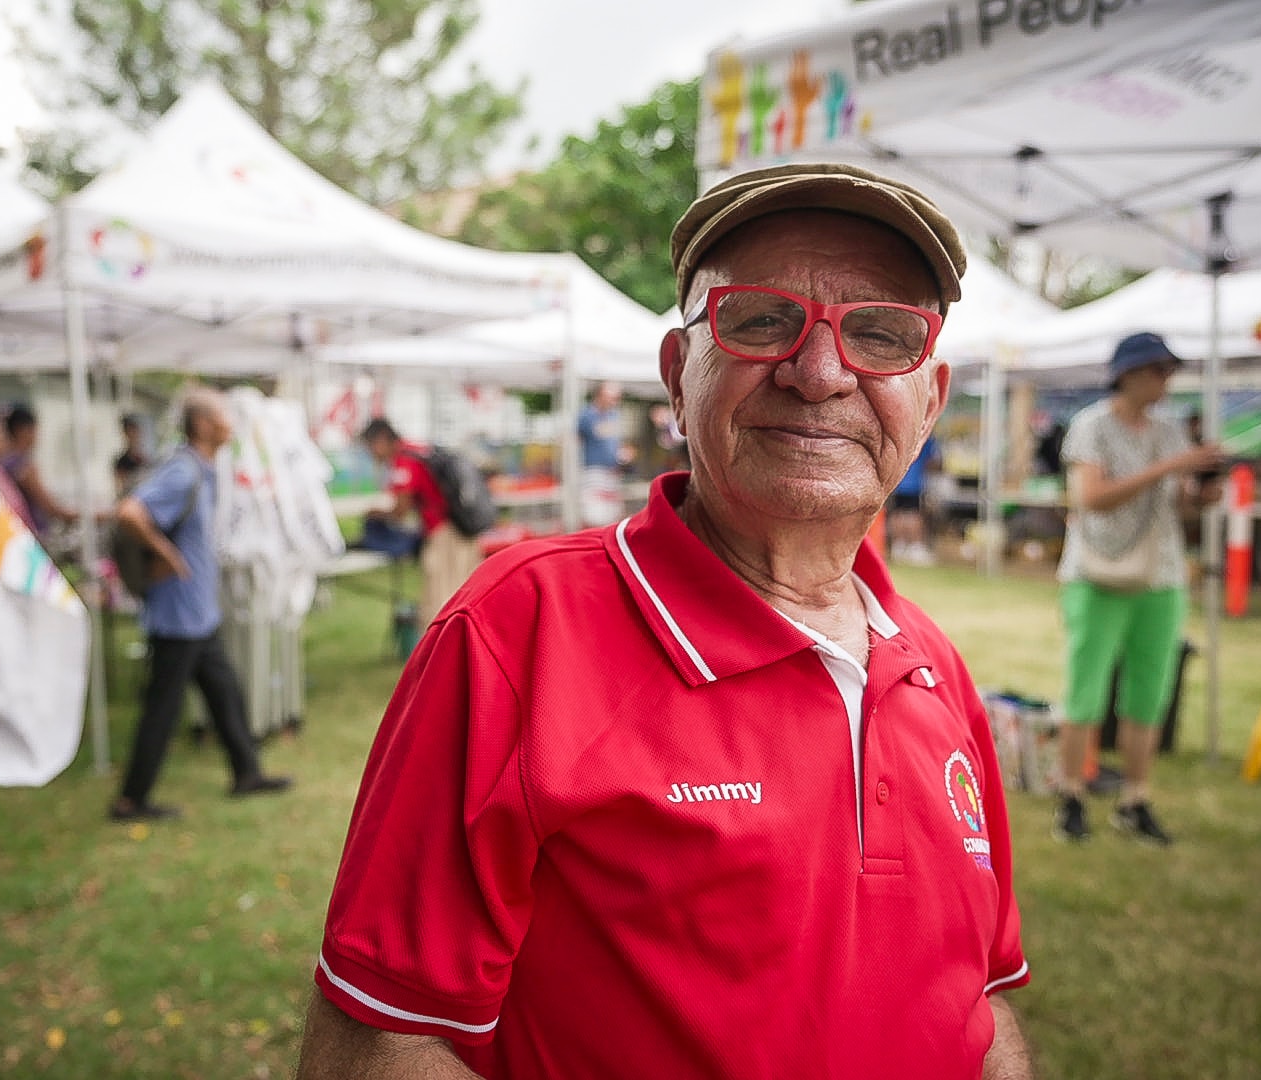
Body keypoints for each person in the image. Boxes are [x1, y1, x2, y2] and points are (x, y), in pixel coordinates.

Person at [300, 163, 1032, 1079]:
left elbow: (985, 996)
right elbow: (382, 1039)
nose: (818, 373)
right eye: (761, 321)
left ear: (929, 401)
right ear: (680, 376)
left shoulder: (933, 666)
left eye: (882, 335)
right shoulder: (516, 631)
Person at [1053, 332, 1223, 846]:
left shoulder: (1170, 430)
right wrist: (1169, 468)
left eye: (1169, 372)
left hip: (1161, 575)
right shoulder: (1092, 426)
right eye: (1158, 371)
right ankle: (1071, 794)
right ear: (1128, 374)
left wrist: (1203, 494)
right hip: (1096, 574)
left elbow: (1182, 508)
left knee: (1149, 693)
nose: (1165, 381)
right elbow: (1092, 497)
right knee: (1086, 689)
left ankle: (1135, 797)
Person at [109, 388, 292, 822]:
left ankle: (246, 773)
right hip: (177, 618)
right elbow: (130, 513)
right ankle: (131, 801)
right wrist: (168, 554)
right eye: (224, 416)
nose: (230, 423)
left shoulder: (204, 468)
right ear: (205, 424)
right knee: (162, 709)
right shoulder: (183, 471)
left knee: (225, 693)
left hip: (198, 615)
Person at [360, 418, 482, 626]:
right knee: (467, 594)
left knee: (437, 602)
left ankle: (441, 655)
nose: (371, 454)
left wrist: (375, 513)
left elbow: (401, 509)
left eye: (370, 448)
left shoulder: (403, 461)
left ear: (380, 440)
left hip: (443, 534)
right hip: (463, 527)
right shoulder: (420, 449)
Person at [1, 404, 80, 537]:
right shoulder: (23, 467)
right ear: (23, 430)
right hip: (31, 533)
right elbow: (50, 508)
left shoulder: (2, 462)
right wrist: (92, 515)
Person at [577, 380, 630, 526]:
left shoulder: (614, 415)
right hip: (593, 470)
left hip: (612, 471)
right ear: (600, 395)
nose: (615, 401)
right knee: (593, 513)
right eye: (612, 397)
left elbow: (615, 441)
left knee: (612, 511)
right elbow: (576, 440)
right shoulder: (587, 415)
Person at [888, 431, 941, 565]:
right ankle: (914, 546)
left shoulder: (903, 434)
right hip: (914, 483)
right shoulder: (927, 438)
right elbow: (934, 462)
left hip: (898, 482)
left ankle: (899, 545)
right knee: (913, 514)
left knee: (898, 513)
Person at [114, 413, 150, 497]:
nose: (133, 436)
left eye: (134, 431)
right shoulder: (121, 462)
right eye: (129, 432)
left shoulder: (145, 460)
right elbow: (120, 488)